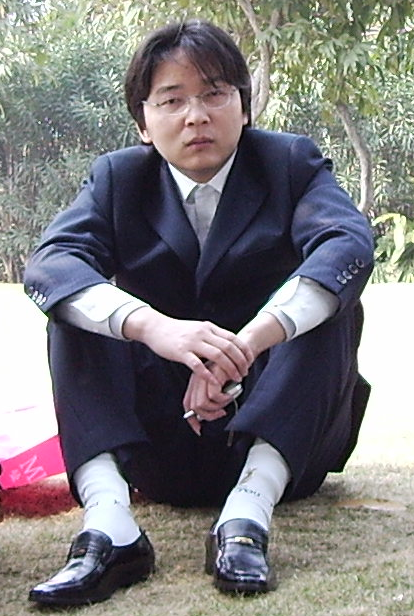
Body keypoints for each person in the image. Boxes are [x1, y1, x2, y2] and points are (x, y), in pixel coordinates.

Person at [24, 18, 374, 607]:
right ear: (143, 122)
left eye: (214, 94)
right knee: (75, 305)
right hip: (163, 444)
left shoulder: (289, 164)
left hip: (288, 443)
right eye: (172, 100)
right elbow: (51, 263)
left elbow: (348, 244)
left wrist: (248, 343)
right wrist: (155, 328)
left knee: (333, 298)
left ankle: (247, 517)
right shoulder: (117, 179)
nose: (196, 116)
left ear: (244, 106)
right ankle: (110, 526)